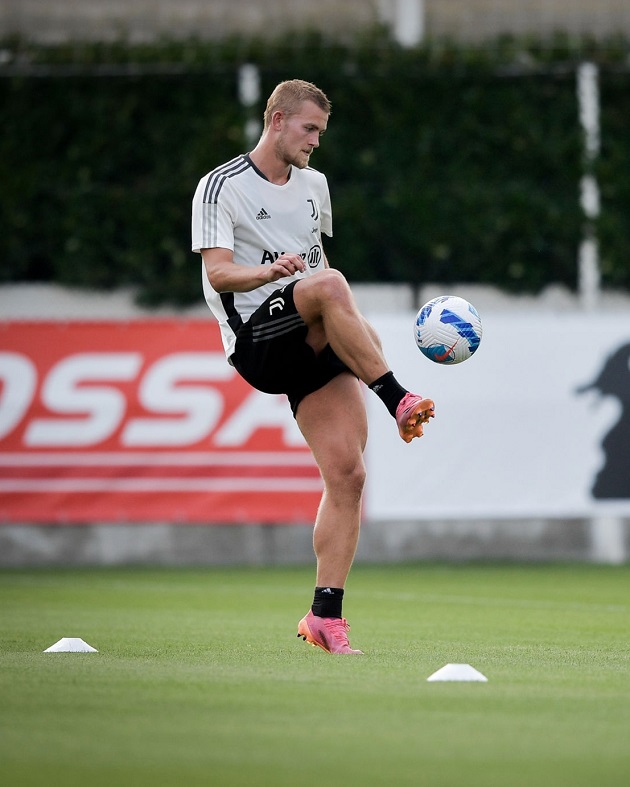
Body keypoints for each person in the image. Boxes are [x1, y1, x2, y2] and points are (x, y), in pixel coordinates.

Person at [192, 79, 434, 655]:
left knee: (348, 476)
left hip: (309, 332)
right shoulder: (219, 186)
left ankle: (325, 616)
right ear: (276, 120)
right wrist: (271, 273)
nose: (316, 142)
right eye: (309, 129)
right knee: (325, 283)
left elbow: (328, 283)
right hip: (257, 339)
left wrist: (362, 340)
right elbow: (219, 273)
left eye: (321, 132)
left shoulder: (315, 187)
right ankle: (397, 397)